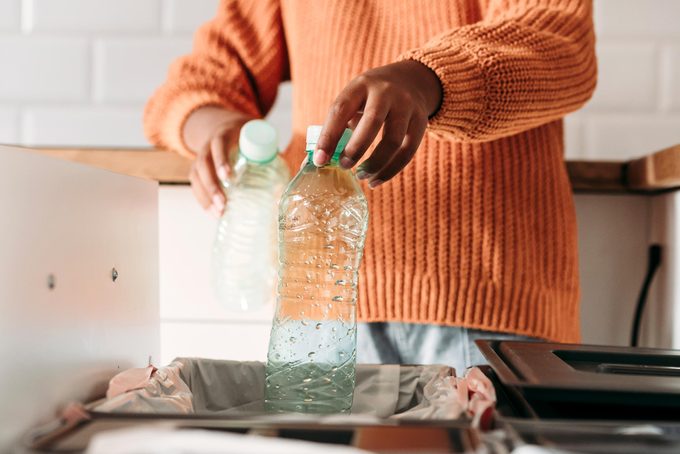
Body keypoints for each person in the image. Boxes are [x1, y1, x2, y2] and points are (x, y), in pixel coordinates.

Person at [144, 0, 597, 373]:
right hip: (323, 305)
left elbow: (562, 44)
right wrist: (219, 130)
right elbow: (197, 82)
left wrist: (427, 79)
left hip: (492, 305)